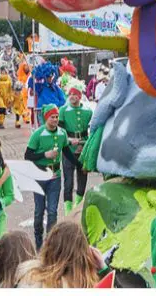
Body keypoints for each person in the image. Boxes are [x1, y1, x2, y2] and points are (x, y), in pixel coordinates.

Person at [24, 104, 84, 249]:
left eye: (57, 117)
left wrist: (80, 165)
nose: (55, 119)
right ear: (46, 118)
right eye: (52, 117)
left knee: (52, 212)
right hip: (39, 176)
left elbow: (67, 152)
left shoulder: (62, 133)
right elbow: (28, 155)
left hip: (55, 177)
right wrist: (45, 155)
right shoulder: (38, 134)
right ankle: (38, 243)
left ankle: (49, 245)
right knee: (39, 212)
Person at [17, 221, 107, 288]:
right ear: (83, 254)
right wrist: (104, 269)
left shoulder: (29, 280)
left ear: (49, 247)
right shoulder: (88, 285)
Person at [58, 86, 93, 214]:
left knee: (82, 177)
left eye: (75, 94)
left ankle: (78, 204)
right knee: (68, 180)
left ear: (80, 96)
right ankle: (68, 209)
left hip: (83, 149)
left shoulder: (88, 111)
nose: (72, 96)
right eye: (70, 94)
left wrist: (87, 143)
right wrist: (68, 139)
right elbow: (60, 131)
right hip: (68, 149)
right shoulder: (63, 110)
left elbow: (93, 130)